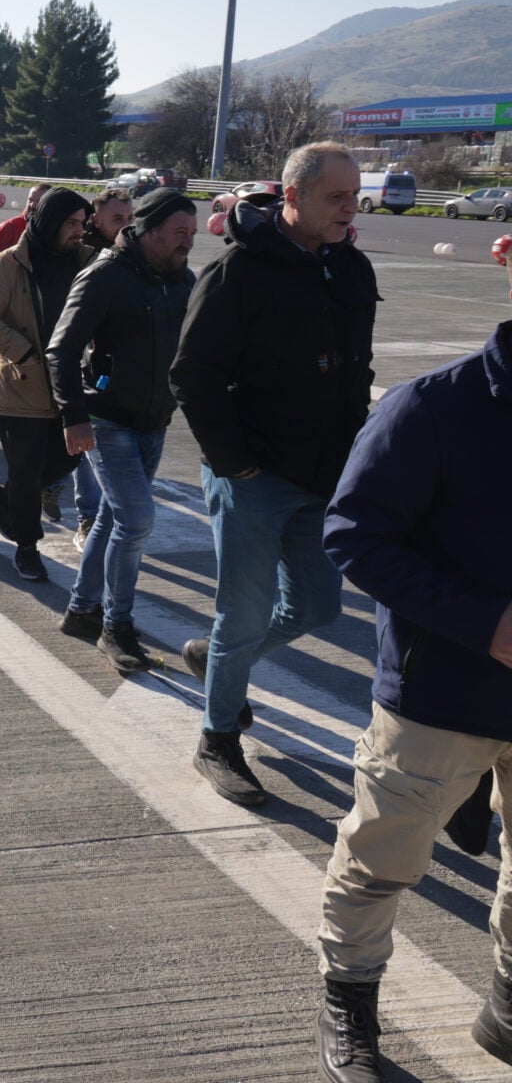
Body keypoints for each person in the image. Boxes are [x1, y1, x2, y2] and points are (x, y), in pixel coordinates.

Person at [309, 312, 512, 1083]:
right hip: (441, 694)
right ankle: (348, 1003)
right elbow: (354, 535)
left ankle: (509, 1008)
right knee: (380, 859)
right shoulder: (433, 407)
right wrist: (480, 621)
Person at [170, 141, 378, 808]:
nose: (352, 208)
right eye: (336, 197)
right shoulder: (239, 272)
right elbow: (193, 375)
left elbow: (356, 372)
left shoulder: (352, 271)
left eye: (354, 195)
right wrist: (235, 464)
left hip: (325, 478)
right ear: (292, 198)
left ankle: (213, 658)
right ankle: (217, 737)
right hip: (253, 478)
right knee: (245, 610)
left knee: (317, 606)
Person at [47, 187, 196, 668]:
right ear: (147, 231)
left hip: (155, 420)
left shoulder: (181, 279)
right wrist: (72, 416)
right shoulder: (105, 275)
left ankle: (80, 611)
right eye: (178, 233)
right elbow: (62, 350)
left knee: (113, 519)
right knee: (136, 521)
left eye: (192, 234)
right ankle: (116, 625)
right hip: (106, 418)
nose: (187, 242)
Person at [0, 188, 92, 583]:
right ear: (50, 222)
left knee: (69, 458)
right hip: (22, 385)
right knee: (25, 471)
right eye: (71, 224)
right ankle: (27, 547)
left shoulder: (89, 263)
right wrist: (22, 353)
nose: (78, 231)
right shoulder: (9, 264)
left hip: (71, 386)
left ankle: (7, 499)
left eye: (82, 224)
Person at [66, 186, 137, 547]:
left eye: (130, 218)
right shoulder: (86, 257)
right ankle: (85, 516)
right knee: (86, 449)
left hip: (124, 373)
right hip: (86, 367)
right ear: (97, 220)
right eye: (117, 220)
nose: (126, 226)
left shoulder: (137, 254)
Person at [0, 182, 51, 258]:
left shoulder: (59, 231)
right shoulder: (7, 229)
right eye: (30, 200)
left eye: (39, 202)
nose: (33, 205)